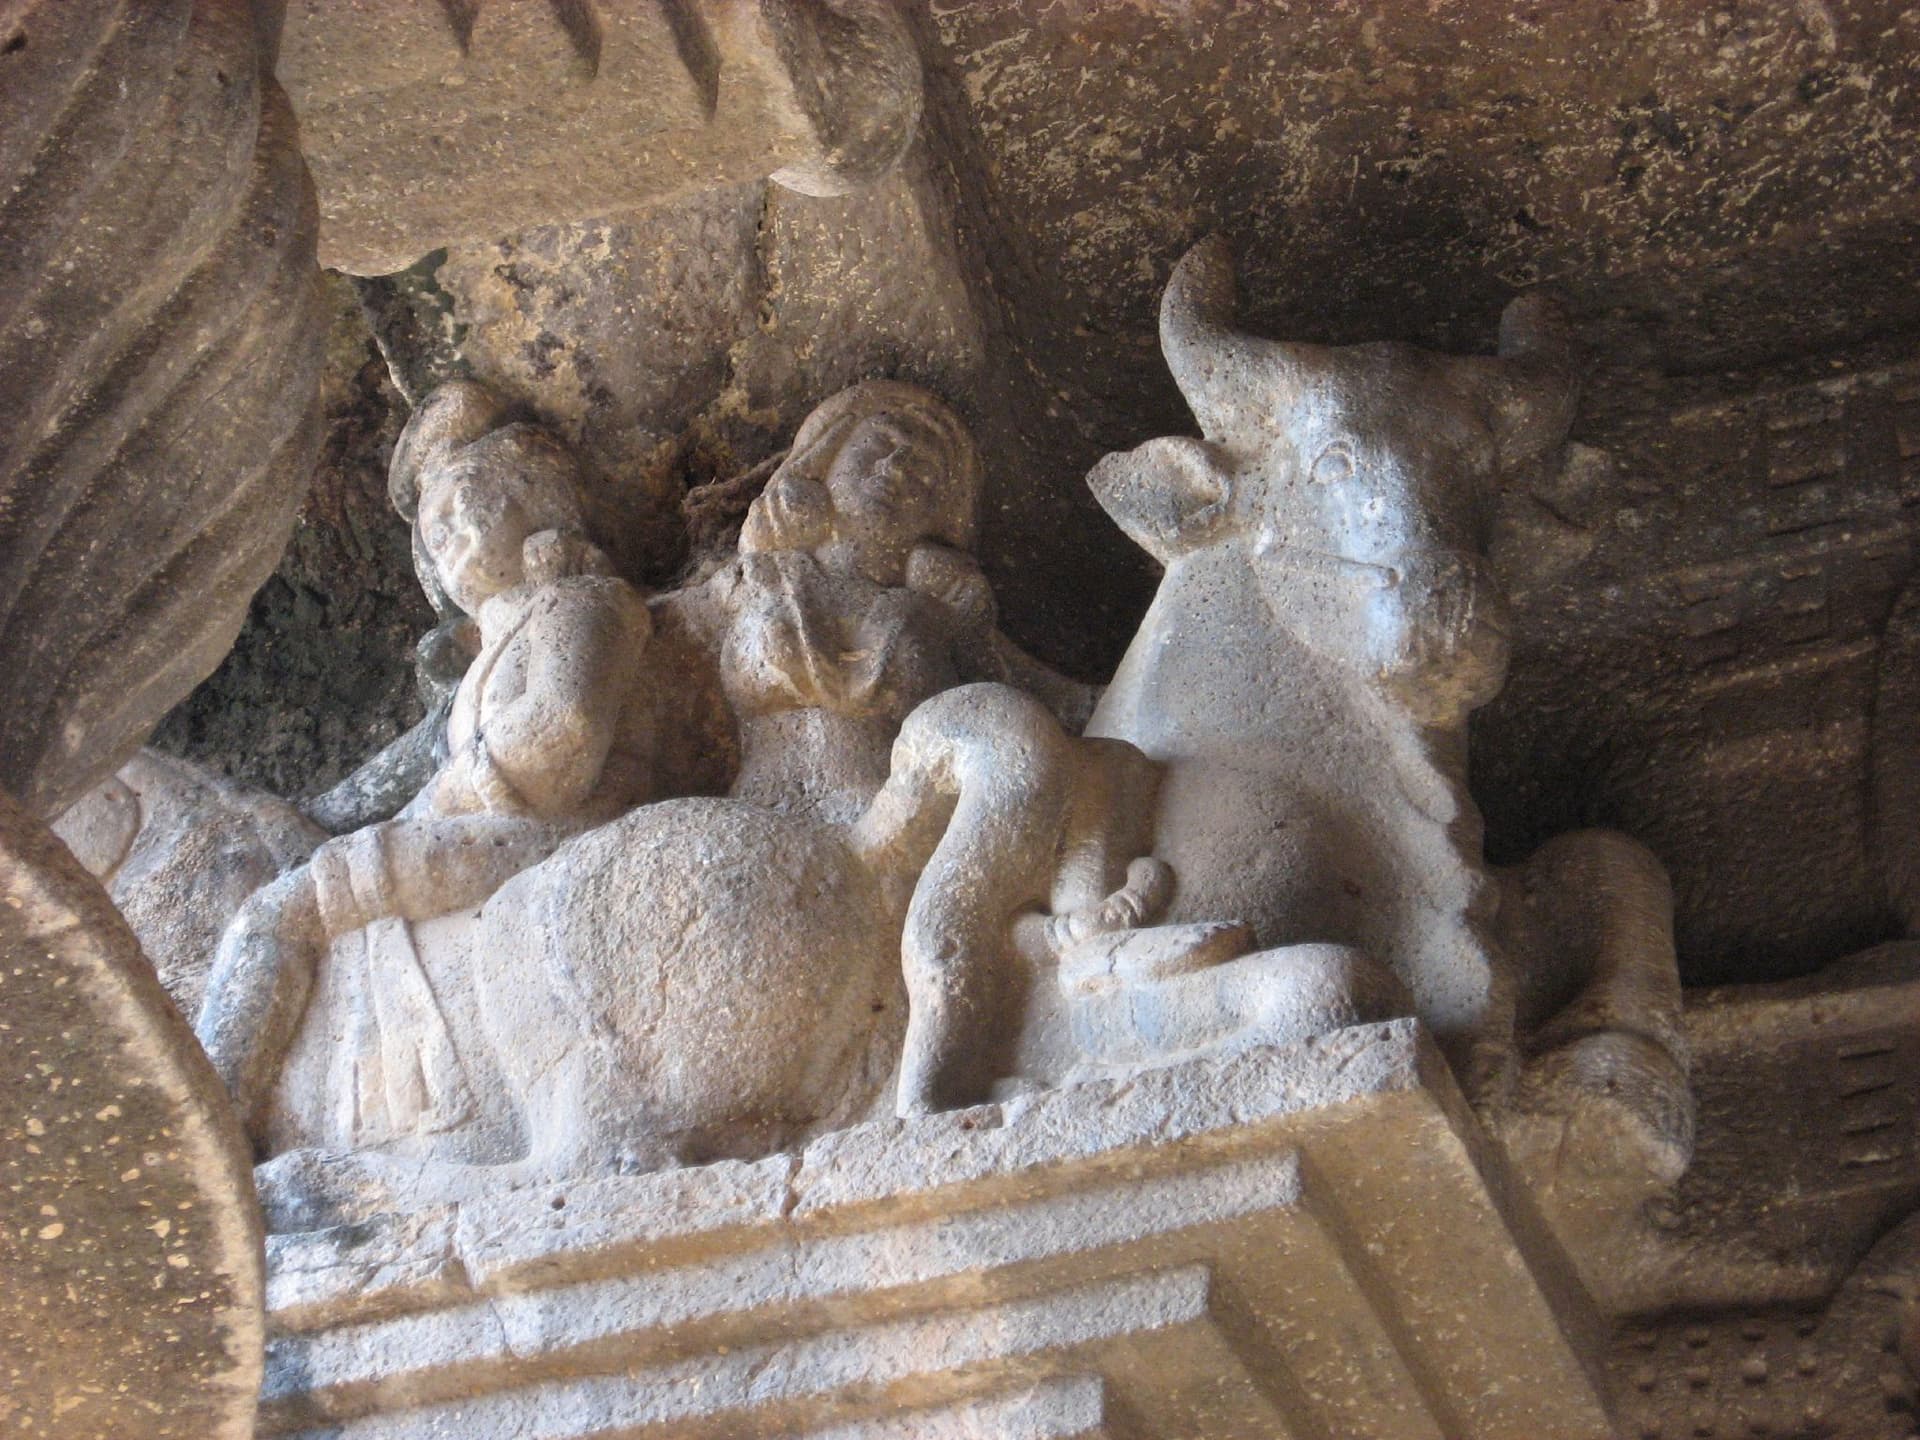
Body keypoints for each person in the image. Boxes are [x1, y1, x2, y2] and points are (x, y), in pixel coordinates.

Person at [196, 413, 655, 1147]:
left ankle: (206, 1138)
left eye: (461, 506)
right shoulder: (488, 656)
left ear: (532, 496)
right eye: (432, 531)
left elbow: (560, 737)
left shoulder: (580, 604)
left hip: (550, 839)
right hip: (486, 826)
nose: (447, 539)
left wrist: (438, 801)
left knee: (273, 915)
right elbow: (408, 778)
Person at [677, 380, 1095, 827]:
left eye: (925, 474)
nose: (895, 470)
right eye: (880, 444)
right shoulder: (759, 579)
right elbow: (661, 646)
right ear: (826, 459)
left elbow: (1057, 711)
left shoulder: (941, 616)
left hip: (896, 828)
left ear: (941, 514)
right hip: (751, 820)